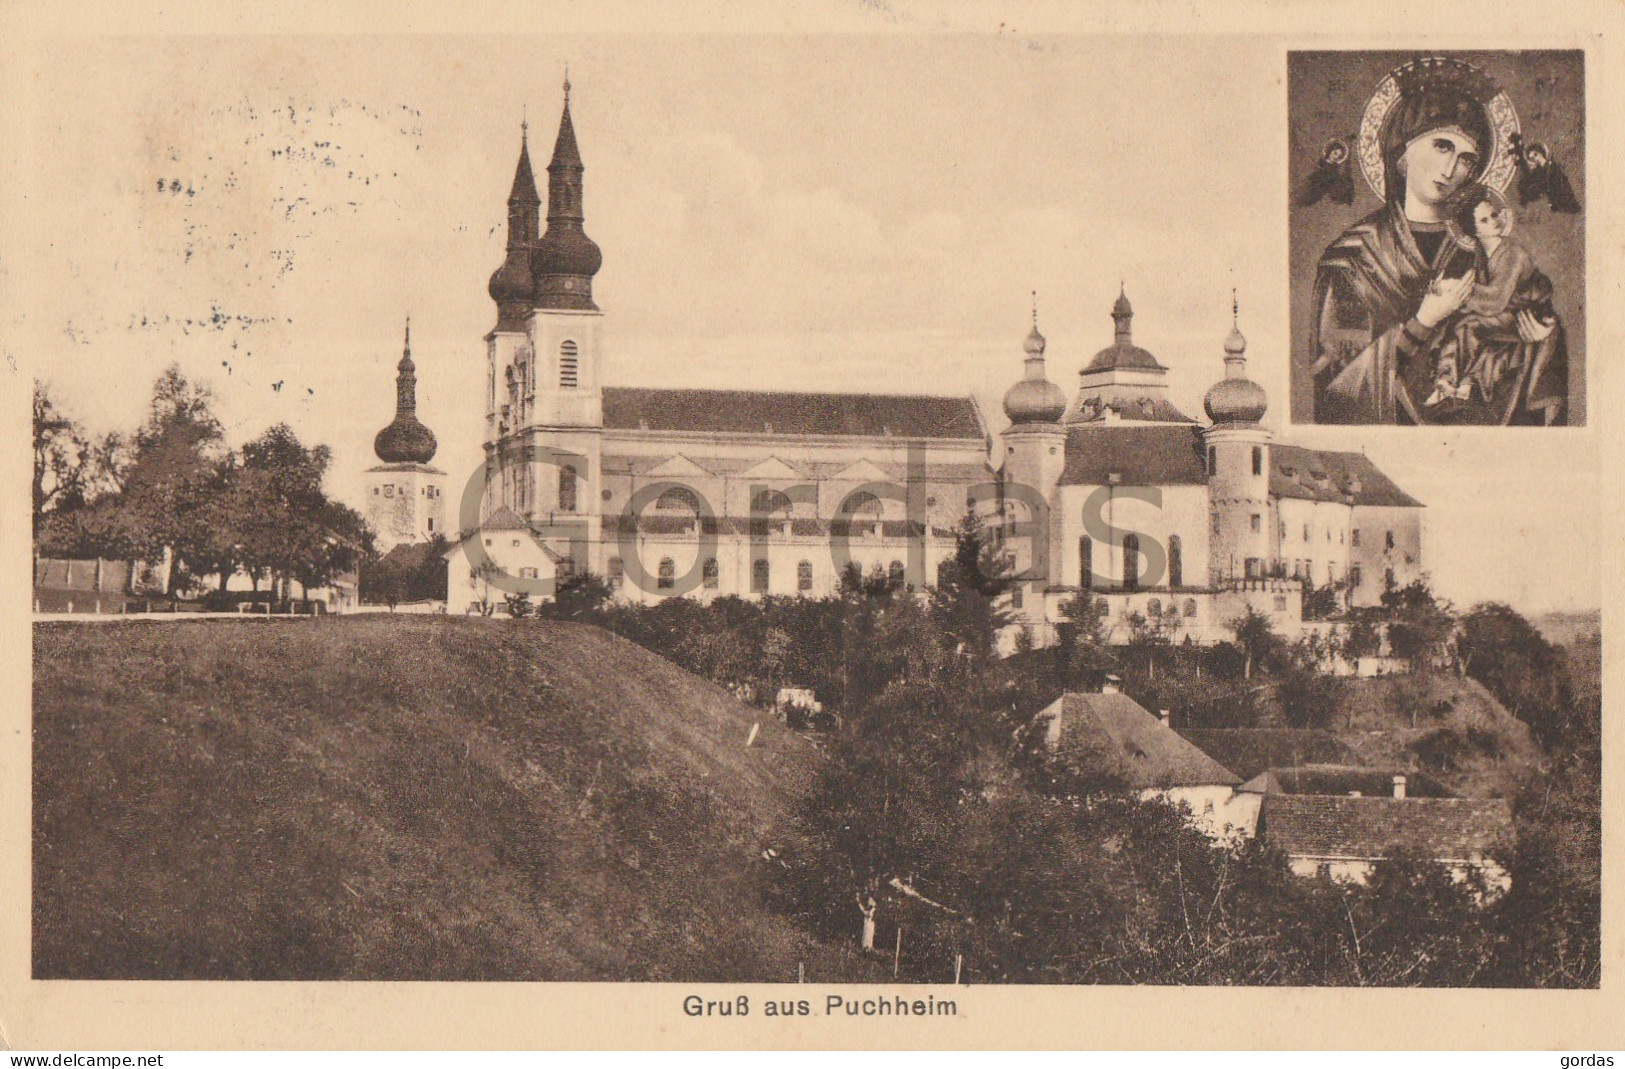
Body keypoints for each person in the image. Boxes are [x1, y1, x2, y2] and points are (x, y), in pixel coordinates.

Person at [1308, 57, 1564, 425]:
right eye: (1442, 146)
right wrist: (1424, 319)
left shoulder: (1484, 243)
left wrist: (1542, 335)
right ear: (1404, 149)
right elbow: (1335, 392)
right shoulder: (1353, 259)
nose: (1450, 169)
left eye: (1466, 160)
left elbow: (1520, 319)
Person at [1425, 185, 1561, 414]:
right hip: (1503, 317)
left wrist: (1455, 290)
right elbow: (1481, 293)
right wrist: (1447, 290)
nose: (1494, 221)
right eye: (1485, 220)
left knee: (1468, 325)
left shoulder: (1513, 254)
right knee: (1456, 325)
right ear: (1474, 230)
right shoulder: (1480, 253)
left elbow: (1494, 299)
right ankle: (1450, 383)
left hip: (1527, 317)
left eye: (1494, 215)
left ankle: (1448, 380)